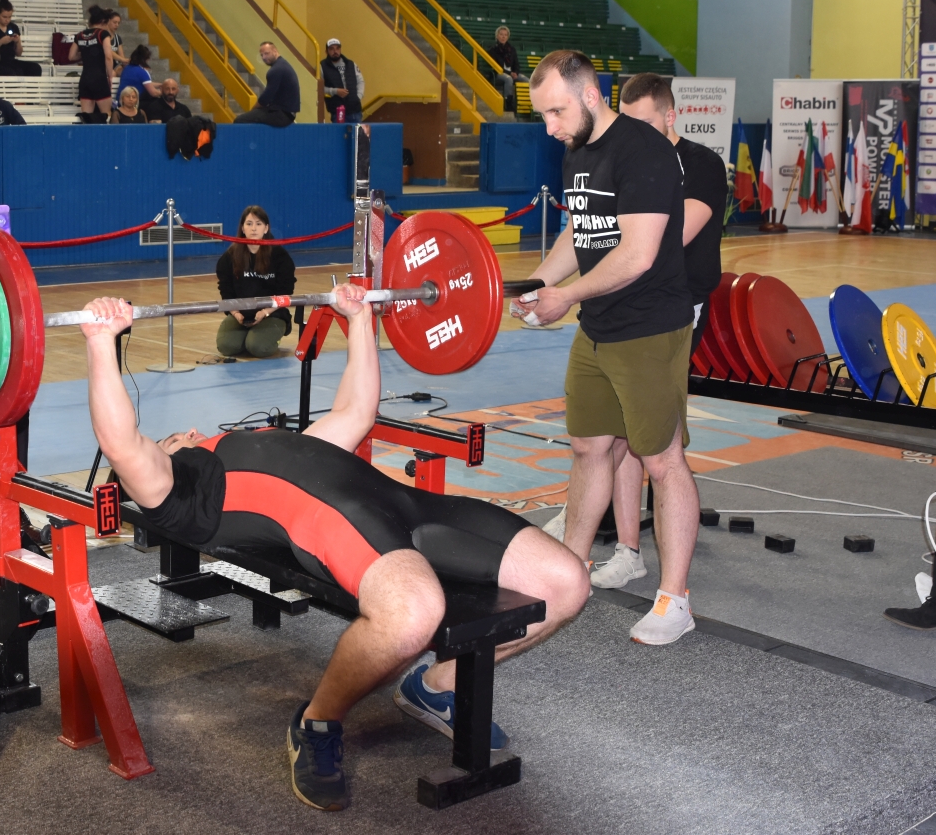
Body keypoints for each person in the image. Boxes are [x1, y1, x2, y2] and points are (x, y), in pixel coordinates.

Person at [78, 284, 587, 812]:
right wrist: (100, 340)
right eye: (168, 439)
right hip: (338, 522)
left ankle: (436, 687)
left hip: (407, 507)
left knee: (565, 583)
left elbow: (357, 410)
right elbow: (120, 441)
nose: (183, 432)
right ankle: (317, 722)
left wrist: (359, 318)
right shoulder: (180, 490)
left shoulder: (270, 443)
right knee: (412, 613)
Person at [512, 49, 698, 646]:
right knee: (589, 447)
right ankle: (568, 573)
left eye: (556, 112)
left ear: (591, 94)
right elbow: (582, 229)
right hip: (599, 326)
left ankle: (676, 598)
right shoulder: (578, 148)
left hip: (649, 328)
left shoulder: (643, 150)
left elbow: (638, 254)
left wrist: (563, 297)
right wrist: (540, 283)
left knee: (662, 461)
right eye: (542, 117)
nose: (551, 128)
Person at [589, 73, 727, 590]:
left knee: (654, 444)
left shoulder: (703, 165)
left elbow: (667, 239)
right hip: (622, 305)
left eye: (646, 122)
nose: (636, 133)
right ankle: (628, 549)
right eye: (629, 123)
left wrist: (620, 244)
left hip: (675, 309)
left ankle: (674, 580)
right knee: (620, 433)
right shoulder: (627, 160)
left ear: (670, 116)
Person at [214, 206, 294, 358]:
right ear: (242, 228)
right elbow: (226, 290)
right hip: (241, 315)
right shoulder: (229, 257)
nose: (254, 228)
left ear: (266, 228)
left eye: (258, 224)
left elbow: (286, 292)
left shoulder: (280, 256)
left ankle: (263, 336)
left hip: (272, 313)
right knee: (227, 347)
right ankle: (247, 336)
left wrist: (265, 312)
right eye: (249, 224)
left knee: (258, 348)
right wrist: (235, 313)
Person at [234, 41, 300, 127]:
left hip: (282, 115)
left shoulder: (276, 70)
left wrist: (253, 110)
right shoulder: (283, 65)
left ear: (275, 51)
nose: (264, 57)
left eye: (266, 53)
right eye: (261, 55)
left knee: (239, 120)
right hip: (288, 114)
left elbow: (266, 98)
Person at [75, 5, 115, 123]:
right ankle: (106, 140)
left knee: (86, 118)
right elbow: (108, 56)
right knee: (106, 116)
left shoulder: (80, 35)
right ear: (104, 22)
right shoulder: (103, 34)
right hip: (99, 78)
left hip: (85, 79)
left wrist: (87, 53)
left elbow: (71, 56)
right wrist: (110, 75)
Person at [0, 0, 42, 77]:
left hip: (10, 61)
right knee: (11, 72)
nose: (7, 20)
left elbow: (19, 53)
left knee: (36, 68)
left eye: (9, 17)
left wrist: (18, 42)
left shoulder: (14, 27)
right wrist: (1, 42)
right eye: (4, 17)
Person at [320, 38, 364, 124]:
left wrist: (358, 97)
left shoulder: (351, 64)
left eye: (337, 48)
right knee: (339, 137)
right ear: (326, 51)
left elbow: (361, 81)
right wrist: (335, 91)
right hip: (337, 111)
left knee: (358, 137)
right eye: (331, 49)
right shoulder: (321, 67)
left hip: (355, 110)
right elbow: (318, 88)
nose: (335, 51)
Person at [487, 25, 524, 114]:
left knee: (527, 80)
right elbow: (497, 66)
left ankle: (527, 105)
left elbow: (516, 63)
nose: (503, 37)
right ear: (497, 36)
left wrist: (516, 72)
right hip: (499, 73)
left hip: (512, 72)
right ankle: (509, 103)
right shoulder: (493, 49)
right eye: (501, 34)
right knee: (508, 79)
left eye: (505, 35)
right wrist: (510, 73)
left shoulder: (511, 49)